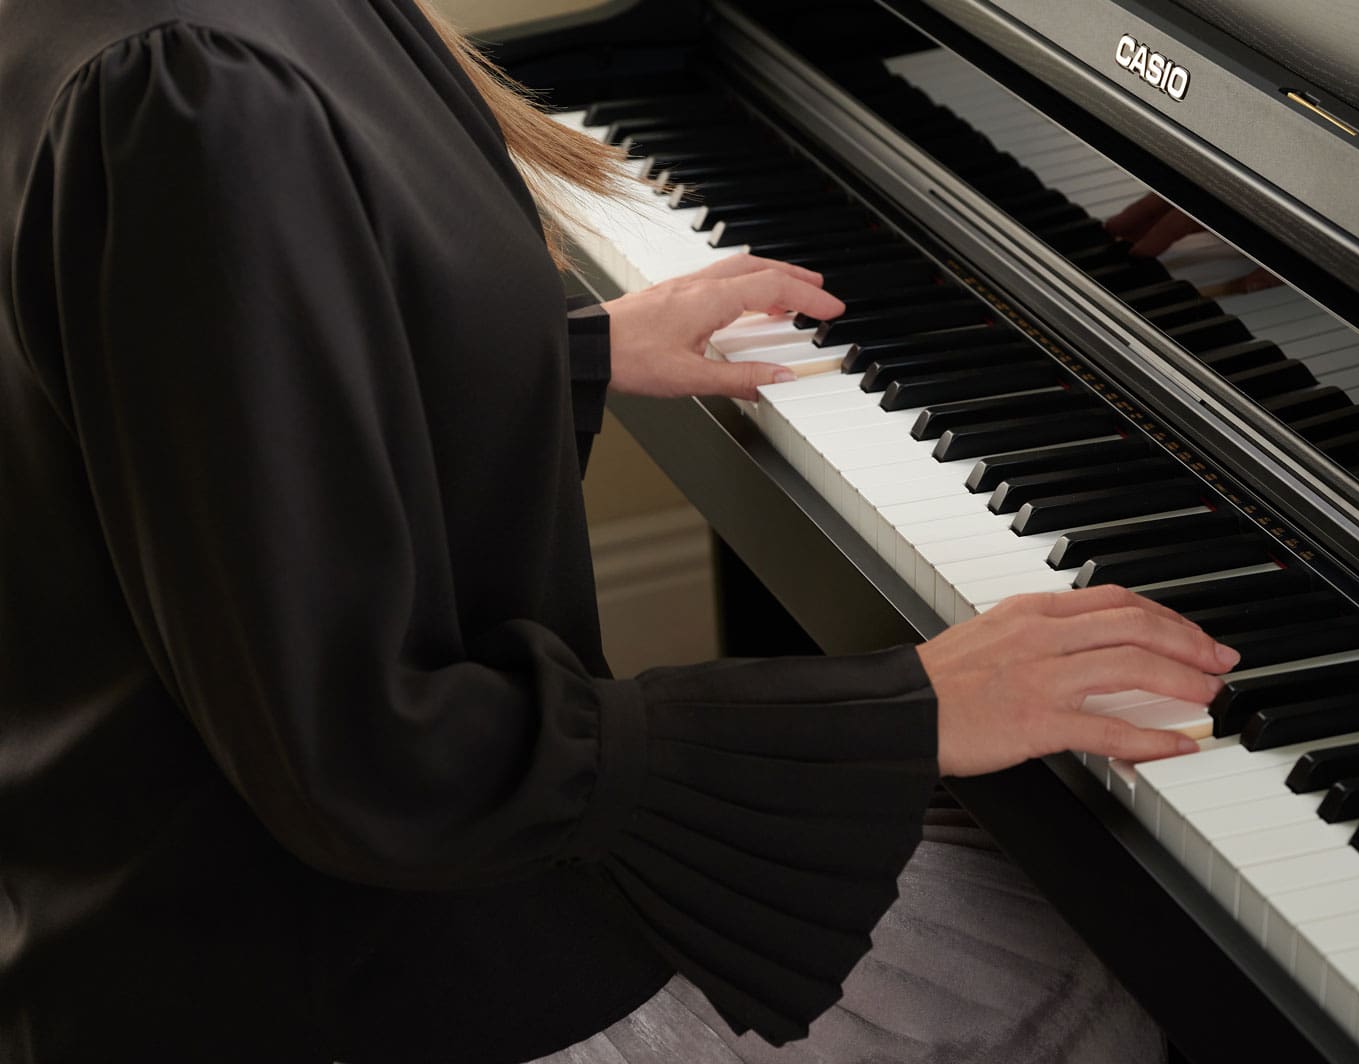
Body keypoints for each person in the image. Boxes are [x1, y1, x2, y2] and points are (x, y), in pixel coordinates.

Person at [0, 1, 1241, 1061]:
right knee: (1132, 977)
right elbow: (368, 759)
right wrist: (907, 703)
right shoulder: (189, 89)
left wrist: (560, 350)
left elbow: (201, 400)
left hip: (358, 888)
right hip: (361, 982)